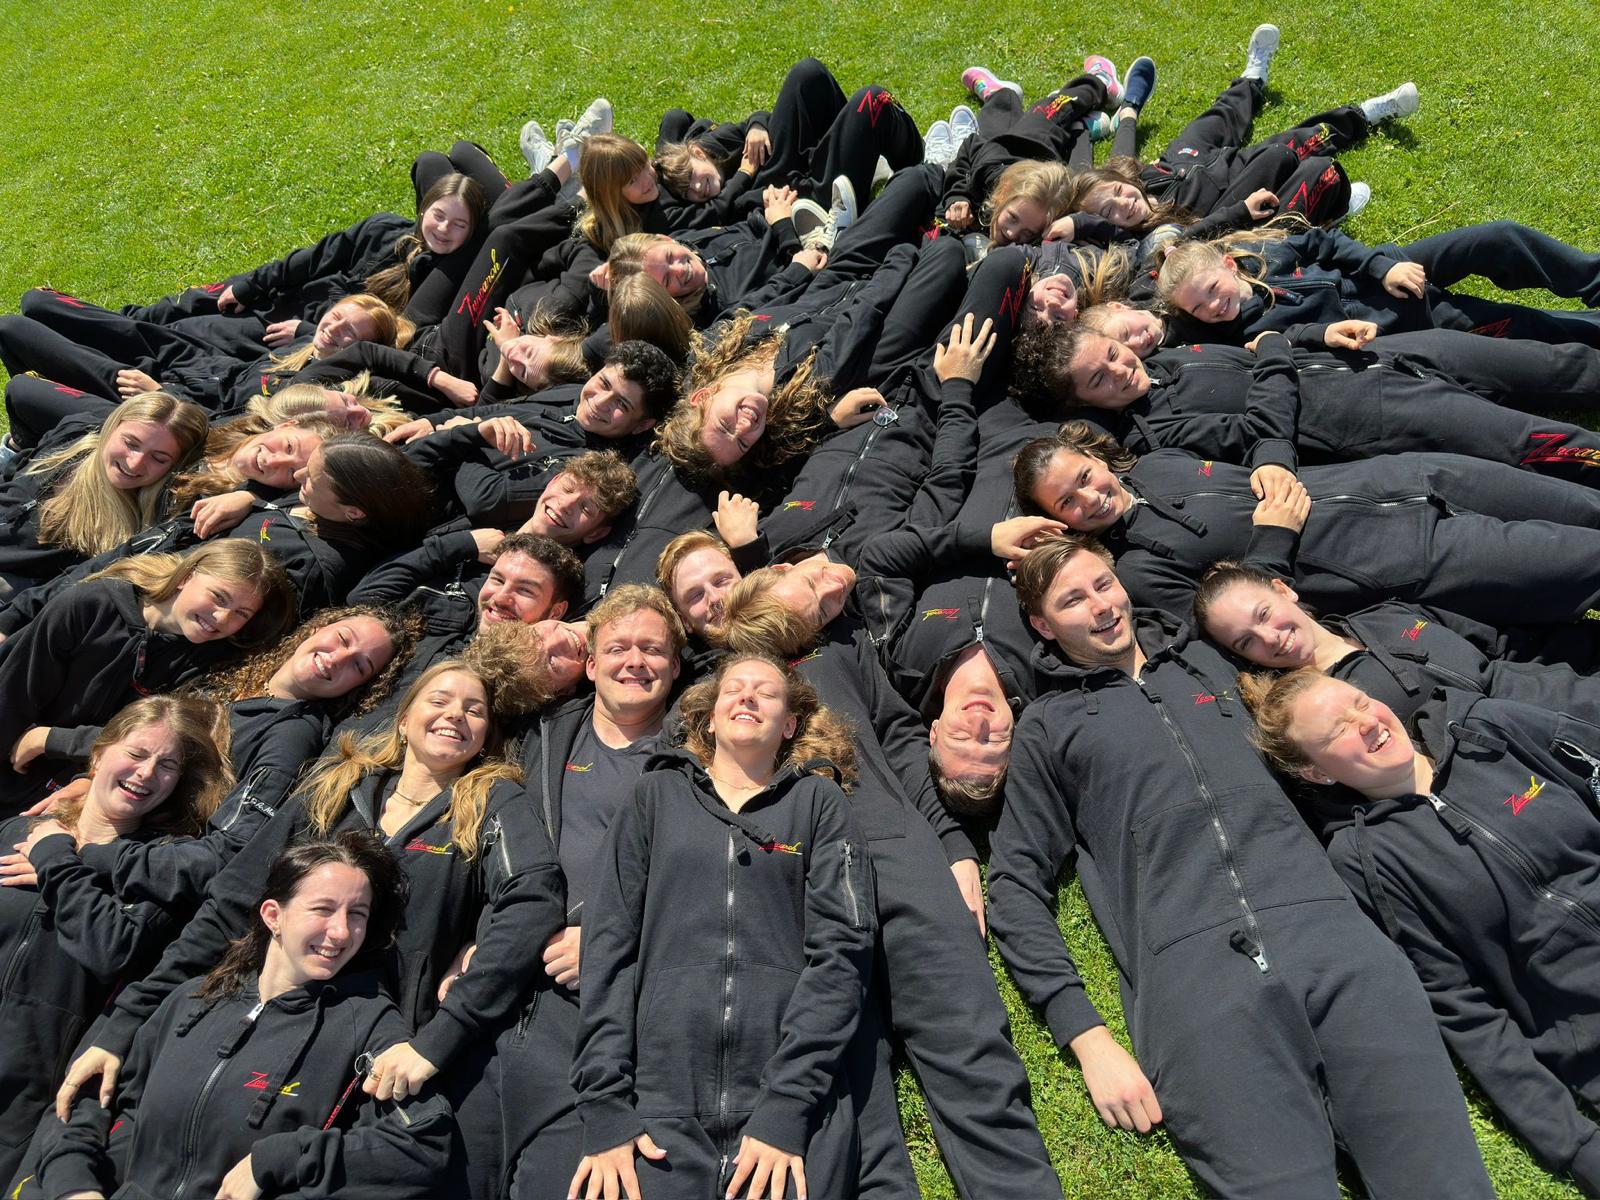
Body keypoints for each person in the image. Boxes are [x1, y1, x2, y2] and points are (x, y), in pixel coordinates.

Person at [988, 532, 1494, 1196]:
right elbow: (1014, 885)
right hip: (1197, 987)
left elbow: (1288, 636)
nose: (1102, 606)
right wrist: (1087, 1037)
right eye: (1073, 600)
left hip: (1338, 944)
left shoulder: (1211, 660)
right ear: (1042, 625)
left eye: (1104, 584)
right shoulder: (1049, 727)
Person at [54, 656, 562, 1190]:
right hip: (265, 1016)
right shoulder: (334, 789)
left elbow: (532, 899)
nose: (455, 714)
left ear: (485, 736)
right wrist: (123, 1027)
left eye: (474, 710)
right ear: (404, 717)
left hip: (380, 1045)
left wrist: (441, 1036)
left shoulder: (491, 803)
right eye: (439, 700)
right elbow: (231, 906)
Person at [713, 553, 1064, 1199]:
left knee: (973, 1052)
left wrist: (954, 845)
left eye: (827, 599)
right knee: (850, 1097)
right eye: (813, 594)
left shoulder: (841, 642)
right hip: (792, 876)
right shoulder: (721, 683)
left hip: (894, 854)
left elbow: (898, 734)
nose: (829, 596)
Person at [1239, 671, 1600, 1194]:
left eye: (1360, 701)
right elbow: (1462, 1006)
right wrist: (1576, 1146)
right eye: (1339, 730)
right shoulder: (1365, 859)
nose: (1367, 722)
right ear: (1316, 772)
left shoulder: (1487, 731)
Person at [569, 651, 876, 1200]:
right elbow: (608, 949)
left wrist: (788, 1105)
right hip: (657, 1111)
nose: (748, 696)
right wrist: (606, 1104)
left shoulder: (820, 804)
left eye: (767, 692)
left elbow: (844, 953)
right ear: (710, 719)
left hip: (791, 1113)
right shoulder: (655, 796)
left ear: (789, 725)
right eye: (733, 688)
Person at [24, 833, 454, 1200]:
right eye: (323, 909)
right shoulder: (193, 999)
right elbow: (91, 1106)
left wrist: (277, 1161)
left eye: (356, 915)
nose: (341, 932)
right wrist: (73, 1184)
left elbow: (424, 1144)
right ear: (273, 916)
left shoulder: (369, 1025)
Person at [1009, 418, 1600, 625]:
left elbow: (1253, 434)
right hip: (1409, 557)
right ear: (1060, 522)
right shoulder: (1138, 572)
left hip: (1412, 477)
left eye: (1083, 476)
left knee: (1583, 509)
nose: (1089, 497)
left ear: (1094, 459)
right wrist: (1274, 538)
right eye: (1067, 502)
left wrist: (1271, 458)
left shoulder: (1159, 462)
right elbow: (1235, 627)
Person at [494, 585, 691, 1198]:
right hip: (507, 991)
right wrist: (475, 941)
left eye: (652, 649)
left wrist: (608, 944)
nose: (634, 661)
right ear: (590, 663)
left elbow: (710, 883)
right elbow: (492, 843)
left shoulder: (700, 757)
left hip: (612, 1008)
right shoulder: (541, 736)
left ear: (676, 667)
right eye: (618, 647)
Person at [0, 695, 228, 1186]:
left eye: (167, 766)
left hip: (31, 1087)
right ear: (99, 755)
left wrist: (57, 863)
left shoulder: (158, 869)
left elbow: (110, 949)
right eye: (137, 754)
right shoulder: (19, 830)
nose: (147, 773)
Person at [0, 540, 295, 805]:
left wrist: (58, 745)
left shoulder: (213, 663)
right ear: (186, 577)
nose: (222, 617)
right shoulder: (90, 605)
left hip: (92, 781)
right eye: (219, 597)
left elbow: (168, 744)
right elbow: (12, 693)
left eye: (241, 613)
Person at [1192, 561, 1600, 725]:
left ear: (1284, 591)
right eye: (1246, 642)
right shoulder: (1317, 706)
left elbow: (1505, 645)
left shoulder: (1385, 616)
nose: (1270, 638)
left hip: (1566, 694)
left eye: (1264, 614)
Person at [1157, 217, 1600, 348]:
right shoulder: (1245, 336)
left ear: (1228, 266)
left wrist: (1381, 266)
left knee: (1498, 239)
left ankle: (1592, 280)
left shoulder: (1263, 255)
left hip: (1390, 271)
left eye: (1212, 290)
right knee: (1518, 326)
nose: (1213, 306)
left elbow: (1325, 242)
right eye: (1199, 308)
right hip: (1400, 322)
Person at [0, 390, 208, 594]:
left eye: (158, 458)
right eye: (131, 443)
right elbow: (20, 390)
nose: (135, 463)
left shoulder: (142, 530)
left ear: (175, 466)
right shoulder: (73, 437)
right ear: (111, 427)